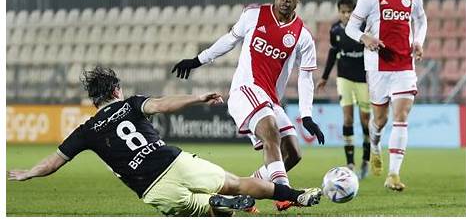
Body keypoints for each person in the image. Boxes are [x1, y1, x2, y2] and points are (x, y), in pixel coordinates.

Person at [7, 66, 322, 216]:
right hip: (172, 161)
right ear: (116, 90)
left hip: (151, 189)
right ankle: (295, 194)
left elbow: (54, 162)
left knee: (204, 209)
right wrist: (197, 97)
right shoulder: (130, 103)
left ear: (94, 99)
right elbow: (162, 104)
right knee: (236, 183)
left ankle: (217, 207)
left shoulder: (86, 131)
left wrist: (29, 172)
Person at [172, 0, 325, 211]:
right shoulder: (254, 15)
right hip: (246, 90)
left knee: (293, 153)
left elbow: (306, 77)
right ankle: (285, 195)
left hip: (271, 100)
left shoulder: (303, 36)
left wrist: (306, 115)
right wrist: (197, 60)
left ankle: (248, 190)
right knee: (271, 134)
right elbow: (229, 40)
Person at [345, 0, 427, 191]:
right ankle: (375, 144)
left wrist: (419, 41)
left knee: (401, 117)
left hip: (404, 65)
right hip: (377, 68)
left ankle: (393, 174)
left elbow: (421, 21)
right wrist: (364, 37)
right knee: (379, 121)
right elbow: (351, 26)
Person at [316, 0, 371, 179]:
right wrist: (324, 77)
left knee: (365, 121)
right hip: (344, 79)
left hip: (364, 80)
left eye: (349, 11)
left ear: (354, 12)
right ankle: (350, 162)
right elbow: (333, 53)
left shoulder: (364, 29)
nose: (346, 15)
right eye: (343, 11)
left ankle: (366, 159)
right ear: (339, 12)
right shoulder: (335, 30)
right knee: (347, 119)